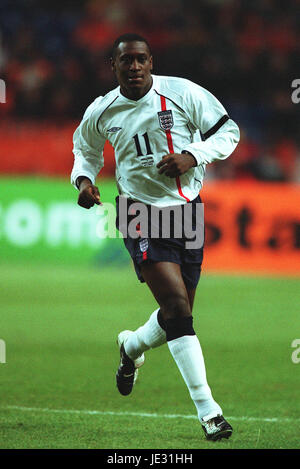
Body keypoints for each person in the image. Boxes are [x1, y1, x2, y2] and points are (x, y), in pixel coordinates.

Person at [71, 33, 240, 441]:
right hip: (137, 212)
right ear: (113, 65)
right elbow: (85, 150)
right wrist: (83, 180)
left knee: (175, 319)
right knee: (179, 310)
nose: (133, 67)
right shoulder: (102, 110)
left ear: (151, 61)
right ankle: (210, 412)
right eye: (125, 61)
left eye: (140, 60)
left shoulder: (183, 93)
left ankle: (130, 347)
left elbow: (228, 132)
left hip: (186, 211)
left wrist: (193, 155)